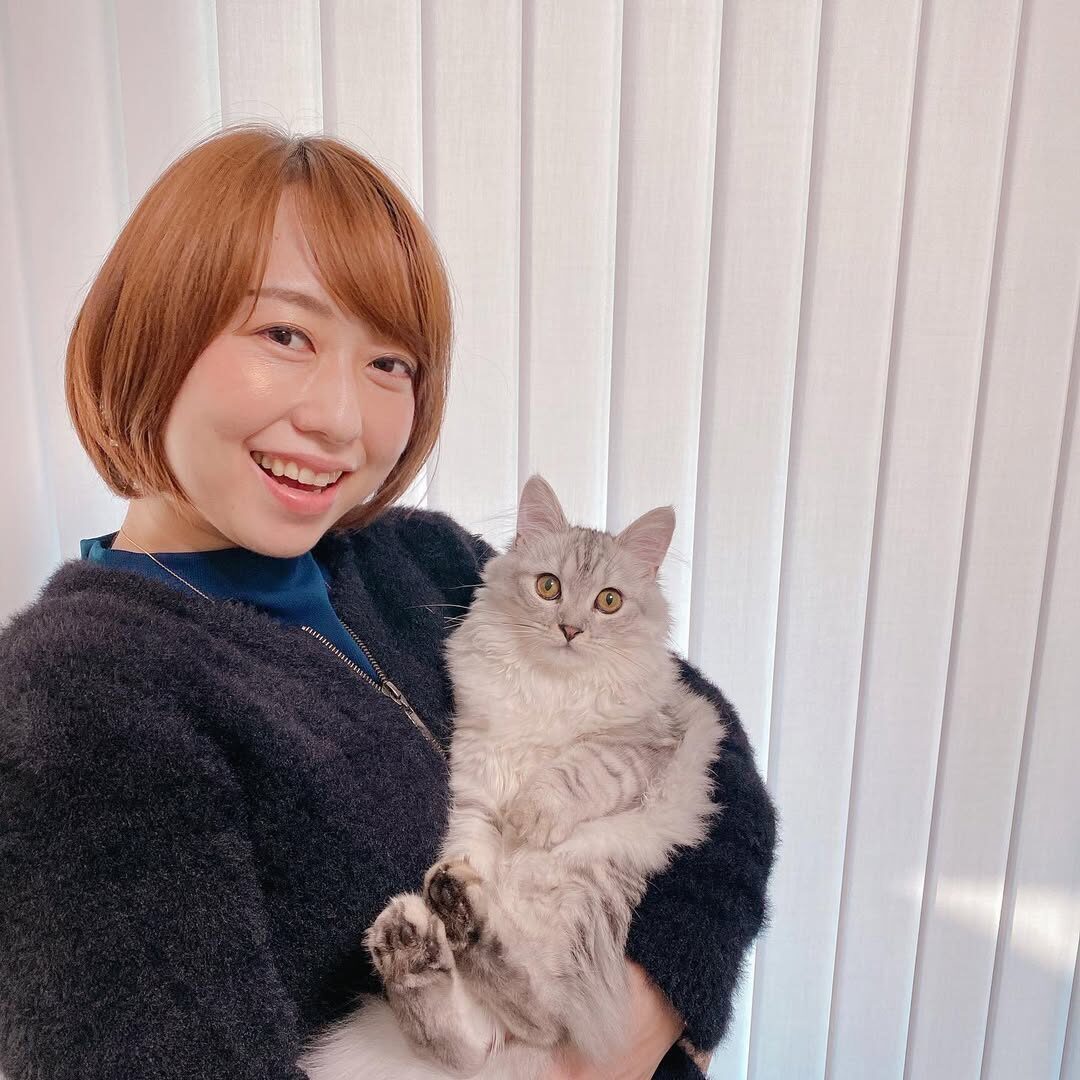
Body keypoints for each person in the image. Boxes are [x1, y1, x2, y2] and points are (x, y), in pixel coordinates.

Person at [0, 124, 776, 1080]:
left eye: (389, 364)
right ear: (153, 327)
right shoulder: (81, 695)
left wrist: (631, 1024)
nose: (339, 419)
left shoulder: (425, 560)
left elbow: (714, 761)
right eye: (285, 334)